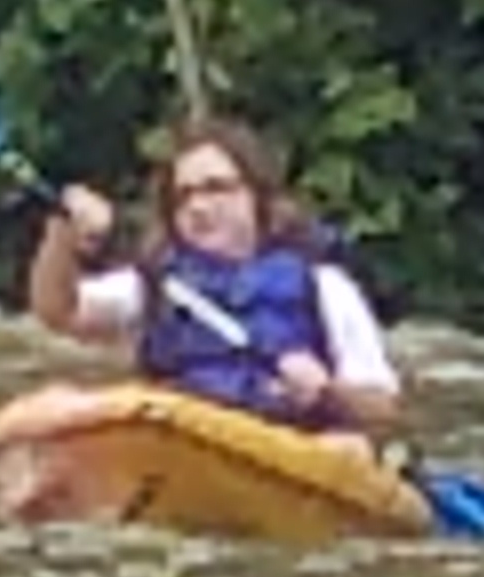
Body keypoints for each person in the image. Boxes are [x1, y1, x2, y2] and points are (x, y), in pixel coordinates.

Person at [23, 116, 407, 438]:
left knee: (348, 450)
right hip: (183, 437)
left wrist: (327, 393)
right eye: (184, 196)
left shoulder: (324, 287)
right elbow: (59, 311)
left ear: (257, 197)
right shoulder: (155, 283)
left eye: (216, 189)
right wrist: (61, 232)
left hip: (288, 443)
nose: (199, 207)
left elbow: (384, 411)